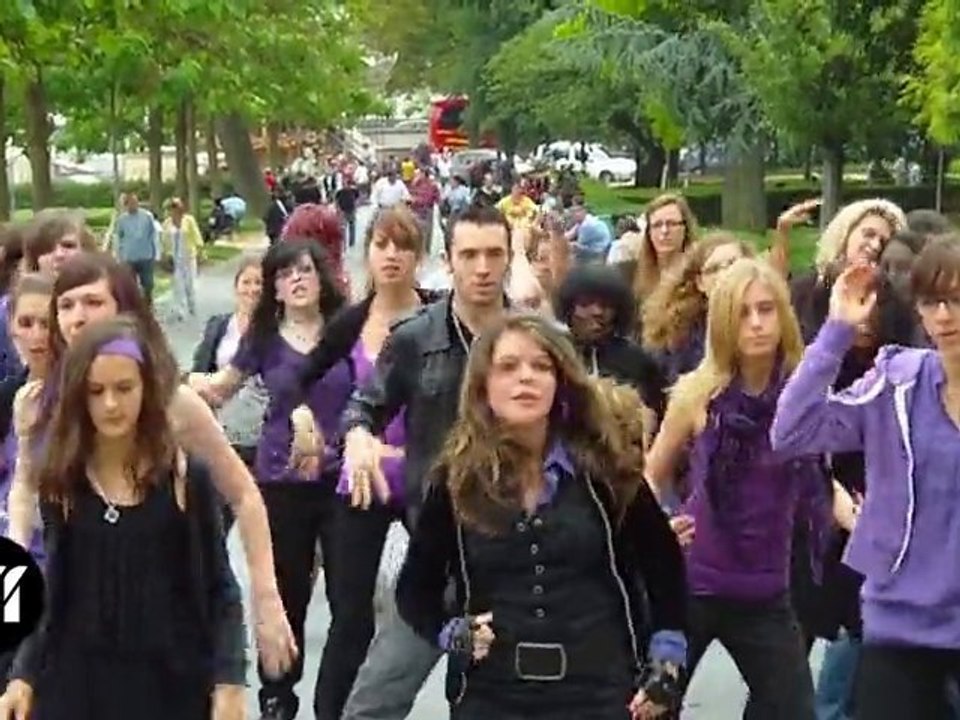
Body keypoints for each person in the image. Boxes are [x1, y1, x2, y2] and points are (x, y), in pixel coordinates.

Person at [3, 252, 296, 678]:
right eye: (65, 305)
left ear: (124, 308)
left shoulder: (171, 405)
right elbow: (24, 490)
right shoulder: (34, 402)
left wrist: (267, 598)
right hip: (61, 607)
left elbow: (244, 494)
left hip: (154, 614)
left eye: (93, 302)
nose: (77, 318)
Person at [397, 313, 687, 718]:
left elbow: (664, 566)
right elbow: (414, 590)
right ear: (483, 385)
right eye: (508, 367)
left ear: (560, 381)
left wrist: (666, 656)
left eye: (541, 366)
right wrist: (453, 632)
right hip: (492, 695)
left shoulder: (605, 471)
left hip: (599, 690)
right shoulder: (456, 481)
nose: (526, 378)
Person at [0, 316, 246, 720]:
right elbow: (55, 590)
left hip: (169, 685)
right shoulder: (63, 481)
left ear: (147, 389)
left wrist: (229, 680)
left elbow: (221, 587)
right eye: (96, 391)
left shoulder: (185, 479)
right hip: (77, 686)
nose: (111, 404)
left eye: (124, 388)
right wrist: (22, 676)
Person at [772, 238, 960, 718]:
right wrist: (836, 332)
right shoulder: (898, 382)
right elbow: (792, 432)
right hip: (900, 625)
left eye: (957, 300)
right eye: (931, 302)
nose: (944, 316)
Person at [338, 204, 512, 720]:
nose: (482, 267)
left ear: (509, 259)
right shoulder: (415, 336)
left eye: (494, 254)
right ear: (448, 260)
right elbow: (363, 404)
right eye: (470, 255)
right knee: (373, 704)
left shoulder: (533, 338)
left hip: (512, 560)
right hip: (432, 556)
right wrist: (357, 435)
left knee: (486, 705)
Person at [646, 258, 826, 719]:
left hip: (766, 590)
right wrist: (662, 525)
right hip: (693, 584)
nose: (758, 323)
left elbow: (823, 480)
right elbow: (651, 474)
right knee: (652, 707)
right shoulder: (697, 394)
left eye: (767, 309)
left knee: (793, 711)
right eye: (743, 313)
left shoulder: (801, 395)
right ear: (724, 323)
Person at [283, 206, 439, 719]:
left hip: (424, 481)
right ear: (366, 252)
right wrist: (306, 419)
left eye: (404, 245)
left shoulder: (440, 318)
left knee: (459, 598)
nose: (392, 255)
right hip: (361, 480)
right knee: (351, 616)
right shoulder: (350, 322)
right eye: (381, 244)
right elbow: (296, 382)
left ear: (420, 255)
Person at [190, 239, 350, 720]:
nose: (297, 280)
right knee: (288, 592)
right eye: (285, 274)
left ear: (322, 278)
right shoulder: (263, 339)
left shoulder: (347, 332)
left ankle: (337, 701)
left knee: (349, 597)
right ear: (275, 289)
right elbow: (219, 387)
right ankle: (278, 696)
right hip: (281, 483)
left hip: (341, 481)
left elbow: (377, 394)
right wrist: (164, 378)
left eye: (305, 270)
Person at [191, 255, 268, 533]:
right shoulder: (219, 325)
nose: (252, 289)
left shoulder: (277, 331)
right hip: (221, 435)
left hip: (263, 440)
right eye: (246, 282)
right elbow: (197, 370)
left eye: (259, 282)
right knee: (215, 522)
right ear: (236, 287)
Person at [554, 263, 667, 420]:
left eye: (606, 305)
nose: (597, 311)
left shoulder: (637, 361)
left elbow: (658, 413)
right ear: (569, 308)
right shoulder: (554, 354)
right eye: (586, 303)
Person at [162, 197, 203, 321]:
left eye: (176, 208)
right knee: (178, 285)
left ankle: (192, 306)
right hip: (175, 258)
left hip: (189, 256)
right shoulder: (167, 223)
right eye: (172, 208)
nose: (174, 211)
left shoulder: (188, 220)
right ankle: (181, 310)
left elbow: (196, 236)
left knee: (190, 284)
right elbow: (164, 240)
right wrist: (165, 255)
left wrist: (200, 250)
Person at [114, 193, 158, 304]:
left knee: (148, 284)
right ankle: (134, 306)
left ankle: (148, 305)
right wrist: (118, 256)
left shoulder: (147, 216)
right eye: (130, 203)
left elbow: (154, 235)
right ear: (126, 205)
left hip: (146, 256)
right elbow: (118, 238)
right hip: (129, 258)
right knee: (131, 285)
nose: (133, 205)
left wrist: (157, 253)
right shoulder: (122, 220)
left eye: (135, 202)